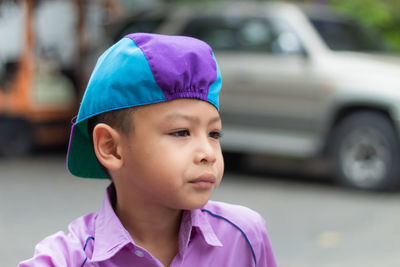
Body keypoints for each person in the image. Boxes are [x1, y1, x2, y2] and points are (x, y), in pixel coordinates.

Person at [19, 33, 277, 267]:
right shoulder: (67, 260)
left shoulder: (243, 236)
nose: (208, 153)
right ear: (111, 148)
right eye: (181, 132)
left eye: (214, 134)